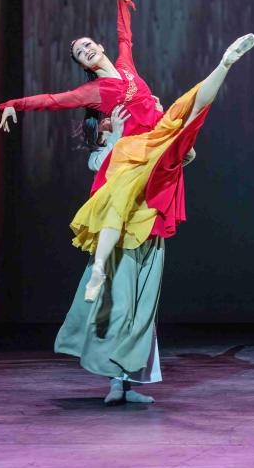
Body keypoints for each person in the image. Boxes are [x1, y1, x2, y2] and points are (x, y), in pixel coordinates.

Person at [0, 0, 254, 302]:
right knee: (117, 203)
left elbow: (125, 38)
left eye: (88, 45)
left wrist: (122, 4)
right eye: (80, 53)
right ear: (83, 65)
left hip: (160, 130)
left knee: (192, 101)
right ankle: (99, 270)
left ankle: (225, 62)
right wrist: (13, 104)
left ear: (99, 47)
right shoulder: (92, 92)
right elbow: (52, 99)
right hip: (136, 150)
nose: (86, 50)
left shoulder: (124, 66)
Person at [55, 104, 186, 404]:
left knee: (142, 312)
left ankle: (126, 383)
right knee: (120, 307)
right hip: (122, 241)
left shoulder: (149, 144)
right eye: (108, 122)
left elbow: (181, 159)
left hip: (150, 233)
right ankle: (116, 381)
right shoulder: (101, 156)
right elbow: (111, 166)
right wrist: (116, 136)